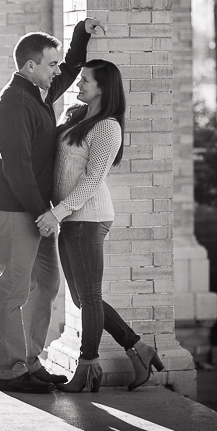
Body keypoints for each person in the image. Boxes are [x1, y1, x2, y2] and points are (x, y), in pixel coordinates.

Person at [0, 17, 104, 394]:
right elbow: (16, 167)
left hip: (34, 209)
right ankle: (10, 371)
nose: (57, 72)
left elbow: (69, 71)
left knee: (47, 284)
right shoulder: (14, 103)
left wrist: (81, 34)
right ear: (30, 66)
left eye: (55, 64)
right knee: (13, 288)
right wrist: (44, 215)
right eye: (49, 64)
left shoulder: (37, 91)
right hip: (14, 208)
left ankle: (30, 361)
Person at [36, 59, 164, 393]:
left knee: (89, 295)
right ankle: (138, 347)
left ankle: (88, 367)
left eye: (85, 81)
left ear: (103, 88)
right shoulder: (77, 116)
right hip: (71, 217)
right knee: (82, 298)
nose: (78, 85)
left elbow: (93, 179)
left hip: (88, 217)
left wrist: (58, 213)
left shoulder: (108, 127)